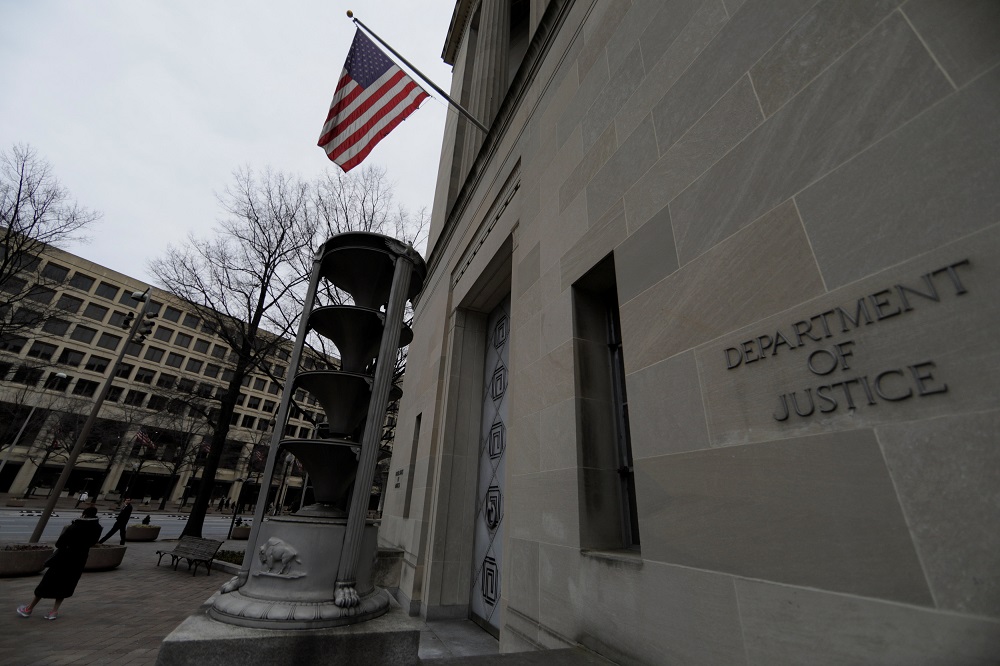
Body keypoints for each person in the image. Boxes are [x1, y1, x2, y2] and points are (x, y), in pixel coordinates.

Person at [16, 505, 102, 620]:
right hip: (79, 560)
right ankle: (54, 611)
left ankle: (28, 608)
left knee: (47, 583)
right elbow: (92, 543)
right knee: (65, 585)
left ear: (84, 514)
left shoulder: (75, 526)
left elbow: (59, 544)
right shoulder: (97, 528)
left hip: (64, 558)